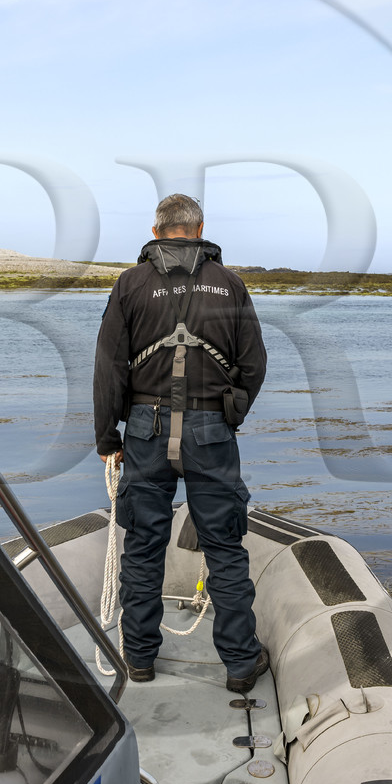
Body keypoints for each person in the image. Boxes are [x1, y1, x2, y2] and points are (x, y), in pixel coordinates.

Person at [93, 194, 269, 692]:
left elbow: (108, 366)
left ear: (156, 228)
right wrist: (230, 413)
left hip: (145, 433)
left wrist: (109, 436)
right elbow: (254, 364)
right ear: (199, 229)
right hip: (211, 432)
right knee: (225, 549)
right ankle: (240, 665)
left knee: (143, 547)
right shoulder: (231, 284)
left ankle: (141, 659)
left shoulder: (130, 284)